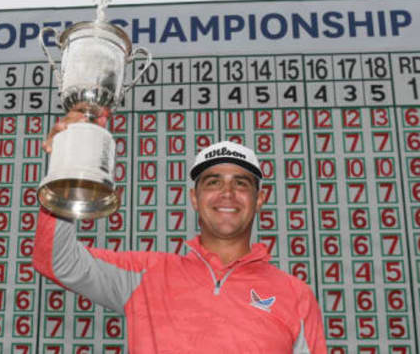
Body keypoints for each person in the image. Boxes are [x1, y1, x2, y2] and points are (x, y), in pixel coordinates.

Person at [32, 111, 327, 353]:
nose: (227, 193)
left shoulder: (295, 295)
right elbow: (57, 261)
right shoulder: (144, 275)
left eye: (241, 183)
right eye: (212, 182)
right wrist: (68, 165)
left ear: (260, 199)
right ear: (194, 199)